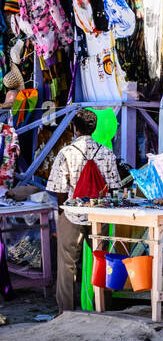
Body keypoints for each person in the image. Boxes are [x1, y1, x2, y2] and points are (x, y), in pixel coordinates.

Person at [46, 109, 122, 312]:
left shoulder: (66, 153)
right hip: (100, 214)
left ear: (75, 129)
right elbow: (114, 187)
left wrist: (64, 210)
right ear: (94, 128)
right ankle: (103, 307)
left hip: (72, 213)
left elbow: (59, 190)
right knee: (103, 261)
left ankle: (66, 312)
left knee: (67, 264)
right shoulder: (107, 153)